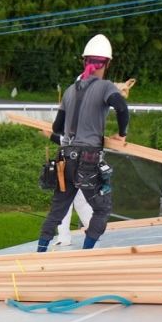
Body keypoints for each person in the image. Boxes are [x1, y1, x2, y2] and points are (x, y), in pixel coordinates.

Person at [37, 34, 129, 252]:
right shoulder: (106, 87)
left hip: (65, 158)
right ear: (106, 63)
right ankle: (86, 252)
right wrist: (122, 134)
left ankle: (40, 251)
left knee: (58, 209)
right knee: (102, 209)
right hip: (88, 158)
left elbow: (57, 128)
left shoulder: (70, 90)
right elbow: (122, 107)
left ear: (84, 61)